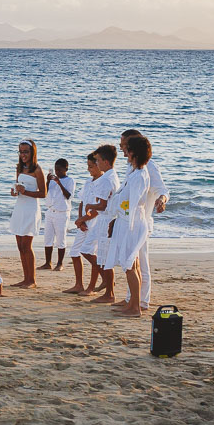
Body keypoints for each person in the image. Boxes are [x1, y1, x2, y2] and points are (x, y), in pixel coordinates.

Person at [116, 129, 169, 309]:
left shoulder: (149, 166)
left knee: (141, 263)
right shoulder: (131, 165)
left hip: (141, 221)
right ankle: (131, 298)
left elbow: (163, 190)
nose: (121, 148)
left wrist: (161, 200)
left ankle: (142, 301)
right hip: (130, 220)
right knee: (132, 262)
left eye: (123, 144)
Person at [110, 135, 154, 318]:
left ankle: (135, 307)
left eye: (127, 149)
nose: (124, 152)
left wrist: (120, 211)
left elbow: (133, 203)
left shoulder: (139, 176)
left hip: (132, 223)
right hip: (129, 221)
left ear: (134, 152)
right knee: (132, 264)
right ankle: (132, 303)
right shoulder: (135, 173)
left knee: (129, 264)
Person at [84, 145, 120, 304]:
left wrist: (90, 206)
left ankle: (109, 291)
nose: (96, 164)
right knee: (86, 249)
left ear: (105, 161)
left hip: (106, 219)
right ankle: (106, 279)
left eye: (98, 161)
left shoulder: (106, 179)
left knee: (104, 256)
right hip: (104, 219)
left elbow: (103, 205)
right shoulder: (111, 175)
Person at [8, 140, 46, 288]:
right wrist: (15, 192)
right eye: (21, 151)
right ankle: (25, 278)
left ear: (32, 152)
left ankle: (32, 280)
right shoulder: (19, 168)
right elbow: (19, 189)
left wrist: (26, 192)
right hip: (20, 207)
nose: (23, 155)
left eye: (26, 152)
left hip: (31, 208)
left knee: (26, 244)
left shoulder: (37, 169)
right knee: (20, 246)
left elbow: (43, 193)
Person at [64, 152, 101, 295]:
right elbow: (81, 202)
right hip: (84, 223)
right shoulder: (88, 182)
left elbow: (100, 208)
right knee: (74, 252)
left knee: (91, 253)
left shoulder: (102, 182)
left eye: (91, 167)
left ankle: (93, 286)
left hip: (95, 223)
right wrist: (81, 220)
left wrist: (84, 219)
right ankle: (78, 284)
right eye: (88, 166)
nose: (88, 169)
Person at [41, 158, 75, 272]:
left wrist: (58, 183)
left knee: (61, 239)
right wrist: (47, 180)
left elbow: (68, 196)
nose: (57, 172)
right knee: (48, 238)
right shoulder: (52, 180)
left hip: (62, 213)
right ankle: (47, 262)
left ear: (66, 169)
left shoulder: (70, 180)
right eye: (56, 170)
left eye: (60, 170)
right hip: (50, 211)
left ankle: (60, 263)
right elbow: (45, 192)